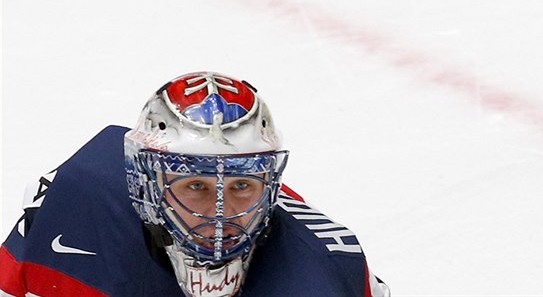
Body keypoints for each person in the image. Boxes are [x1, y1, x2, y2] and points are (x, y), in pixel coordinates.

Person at [0, 71, 390, 297]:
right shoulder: (77, 206)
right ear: (145, 183)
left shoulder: (326, 273)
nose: (219, 213)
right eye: (196, 186)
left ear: (269, 186)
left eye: (241, 186)